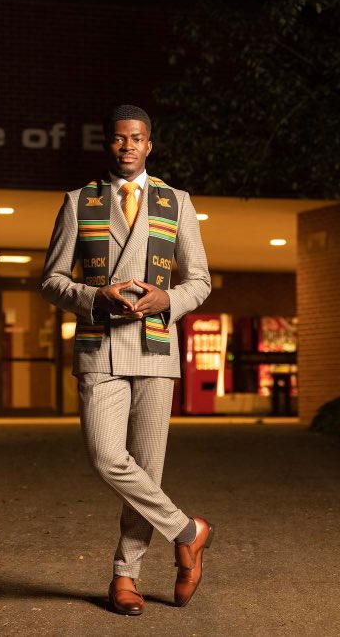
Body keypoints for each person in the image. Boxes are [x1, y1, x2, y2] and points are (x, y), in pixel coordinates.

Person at [40, 105, 214, 615]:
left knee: (148, 470)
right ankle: (189, 531)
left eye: (137, 138)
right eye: (119, 139)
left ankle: (125, 575)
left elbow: (199, 280)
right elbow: (51, 280)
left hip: (157, 349)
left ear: (149, 144)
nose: (128, 146)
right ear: (109, 144)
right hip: (100, 346)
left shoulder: (175, 201)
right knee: (106, 456)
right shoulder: (79, 201)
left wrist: (168, 301)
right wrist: (96, 295)